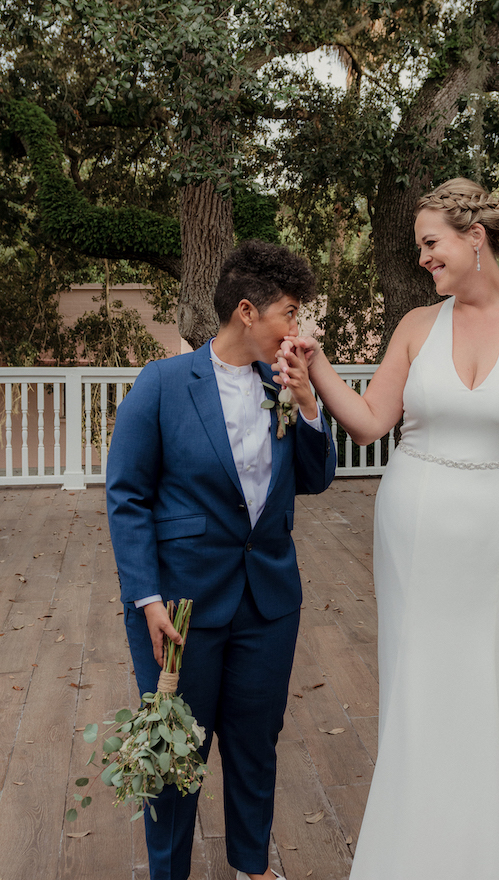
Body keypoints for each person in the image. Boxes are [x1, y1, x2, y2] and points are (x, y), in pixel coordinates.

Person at [275, 179, 499, 880]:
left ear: (475, 238)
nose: (425, 259)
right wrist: (313, 375)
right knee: (421, 680)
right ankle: (413, 846)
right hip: (414, 526)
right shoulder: (415, 326)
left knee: (494, 677)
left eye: (431, 244)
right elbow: (374, 420)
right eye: (420, 249)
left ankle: (488, 848)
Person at [106, 240, 336, 880]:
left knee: (254, 746)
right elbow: (126, 496)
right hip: (178, 608)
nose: (299, 327)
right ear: (246, 311)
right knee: (174, 754)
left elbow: (315, 479)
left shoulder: (284, 384)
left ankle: (250, 867)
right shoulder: (161, 384)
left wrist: (310, 399)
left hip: (268, 602)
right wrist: (146, 599)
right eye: (290, 312)